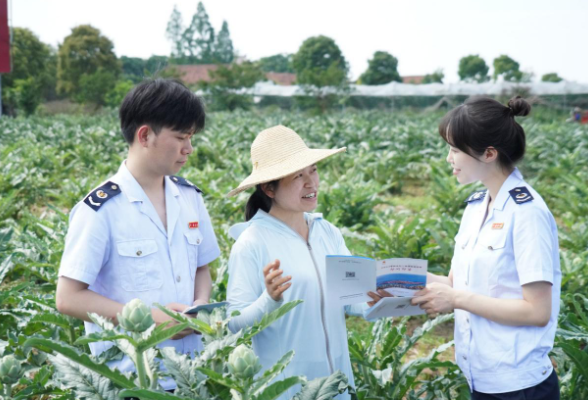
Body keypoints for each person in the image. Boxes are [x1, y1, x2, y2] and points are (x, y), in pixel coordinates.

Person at [55, 78, 221, 391]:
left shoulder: (190, 198)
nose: (189, 148)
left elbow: (202, 267)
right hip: (129, 380)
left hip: (191, 374)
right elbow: (68, 298)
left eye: (192, 137)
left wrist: (198, 307)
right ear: (144, 135)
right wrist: (150, 319)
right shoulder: (101, 210)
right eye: (181, 137)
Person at [413, 96, 560, 399]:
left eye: (454, 149)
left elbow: (537, 311)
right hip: (481, 378)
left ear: (489, 153)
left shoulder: (527, 213)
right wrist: (392, 277)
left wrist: (456, 299)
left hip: (519, 386)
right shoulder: (476, 206)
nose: (448, 158)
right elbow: (455, 283)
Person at [225, 125, 368, 400]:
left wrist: (384, 295)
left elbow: (352, 300)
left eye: (313, 170)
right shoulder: (251, 242)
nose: (311, 183)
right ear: (269, 188)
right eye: (297, 176)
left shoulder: (328, 232)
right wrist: (269, 300)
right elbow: (234, 325)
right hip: (286, 390)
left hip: (336, 386)